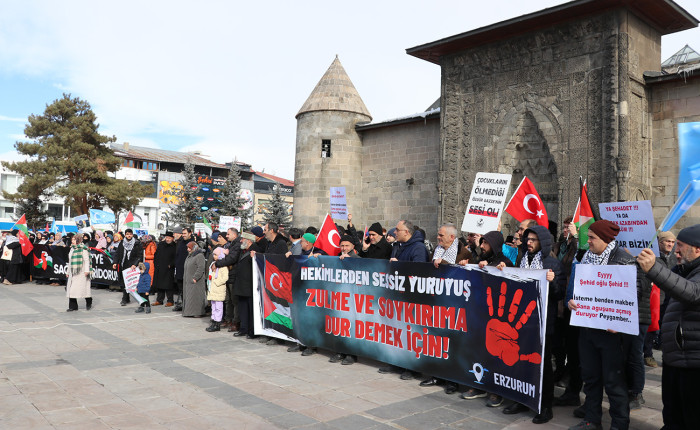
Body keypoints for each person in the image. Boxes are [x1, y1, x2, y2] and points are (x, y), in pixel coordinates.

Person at [566, 220, 649, 430]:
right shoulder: (586, 257)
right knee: (591, 379)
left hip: (613, 335)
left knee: (614, 383)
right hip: (587, 329)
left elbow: (637, 296)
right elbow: (578, 289)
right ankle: (592, 421)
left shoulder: (625, 261)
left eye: (592, 237)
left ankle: (619, 424)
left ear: (605, 239)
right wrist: (572, 302)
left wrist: (620, 322)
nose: (588, 241)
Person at [636, 224, 700, 430]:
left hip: (693, 363)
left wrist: (654, 269)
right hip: (675, 358)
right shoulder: (683, 270)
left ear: (697, 249)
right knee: (672, 416)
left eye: (680, 245)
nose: (676, 250)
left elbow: (692, 292)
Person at [501, 225, 564, 424]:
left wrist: (552, 281)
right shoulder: (522, 261)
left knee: (542, 365)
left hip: (544, 323)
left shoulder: (552, 263)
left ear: (543, 242)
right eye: (528, 239)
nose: (528, 243)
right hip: (522, 323)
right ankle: (521, 399)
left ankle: (545, 405)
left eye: (533, 240)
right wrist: (503, 271)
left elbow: (559, 293)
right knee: (520, 362)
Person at [461, 230, 514, 408]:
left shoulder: (506, 263)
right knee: (479, 352)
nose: (482, 246)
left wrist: (496, 269)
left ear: (495, 244)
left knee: (496, 354)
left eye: (486, 243)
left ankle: (496, 391)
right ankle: (479, 384)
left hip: (498, 317)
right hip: (480, 314)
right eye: (481, 243)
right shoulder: (480, 260)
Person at [420, 223, 471, 393]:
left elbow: (464, 273)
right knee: (436, 340)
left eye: (441, 235)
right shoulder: (437, 250)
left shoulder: (465, 253)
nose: (438, 237)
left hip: (455, 306)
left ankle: (452, 380)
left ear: (451, 237)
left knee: (453, 342)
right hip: (437, 301)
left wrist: (446, 263)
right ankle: (437, 374)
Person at [232, 232, 257, 339]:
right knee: (242, 309)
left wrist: (254, 259)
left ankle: (252, 331)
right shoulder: (243, 250)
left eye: (243, 239)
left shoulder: (255, 250)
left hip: (250, 285)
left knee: (251, 310)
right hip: (241, 285)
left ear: (249, 240)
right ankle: (243, 328)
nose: (241, 240)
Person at [112, 228, 144, 306]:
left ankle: (135, 298)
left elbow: (140, 255)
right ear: (125, 235)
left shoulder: (137, 243)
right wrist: (115, 262)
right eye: (127, 234)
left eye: (130, 234)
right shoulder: (122, 243)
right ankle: (125, 298)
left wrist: (135, 264)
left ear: (132, 235)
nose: (129, 235)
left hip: (133, 266)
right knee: (123, 282)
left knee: (131, 283)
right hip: (124, 264)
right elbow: (117, 253)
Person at [66, 234, 92, 311]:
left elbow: (87, 260)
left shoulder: (83, 249)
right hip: (73, 271)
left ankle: (89, 300)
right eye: (72, 240)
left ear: (78, 240)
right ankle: (73, 306)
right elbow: (70, 261)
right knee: (71, 289)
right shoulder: (72, 249)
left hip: (81, 271)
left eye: (74, 240)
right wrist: (67, 271)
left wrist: (87, 270)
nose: (72, 241)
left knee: (84, 289)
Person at [206, 247, 229, 332]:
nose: (214, 256)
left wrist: (216, 282)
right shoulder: (214, 264)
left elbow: (225, 277)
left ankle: (217, 323)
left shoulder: (223, 266)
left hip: (218, 288)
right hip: (213, 289)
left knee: (218, 307)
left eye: (216, 255)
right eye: (214, 254)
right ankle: (213, 321)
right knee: (213, 306)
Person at [182, 241, 207, 317]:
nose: (188, 249)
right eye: (187, 248)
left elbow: (201, 268)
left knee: (196, 296)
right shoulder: (190, 256)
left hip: (195, 281)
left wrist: (195, 278)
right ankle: (189, 312)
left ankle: (197, 312)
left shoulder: (199, 256)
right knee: (190, 296)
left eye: (189, 248)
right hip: (188, 280)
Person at [152, 232, 177, 306]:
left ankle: (170, 301)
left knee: (168, 285)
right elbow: (156, 254)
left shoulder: (174, 246)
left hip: (169, 268)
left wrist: (171, 265)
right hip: (160, 267)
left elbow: (176, 257)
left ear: (172, 238)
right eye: (167, 237)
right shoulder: (161, 244)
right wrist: (156, 263)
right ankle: (159, 300)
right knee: (160, 285)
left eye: (169, 238)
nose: (168, 239)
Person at [173, 227, 194, 311]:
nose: (183, 235)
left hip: (188, 270)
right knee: (181, 288)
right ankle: (182, 304)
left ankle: (188, 306)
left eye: (185, 233)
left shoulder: (192, 243)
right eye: (183, 233)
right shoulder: (181, 242)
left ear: (190, 233)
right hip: (179, 269)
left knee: (187, 290)